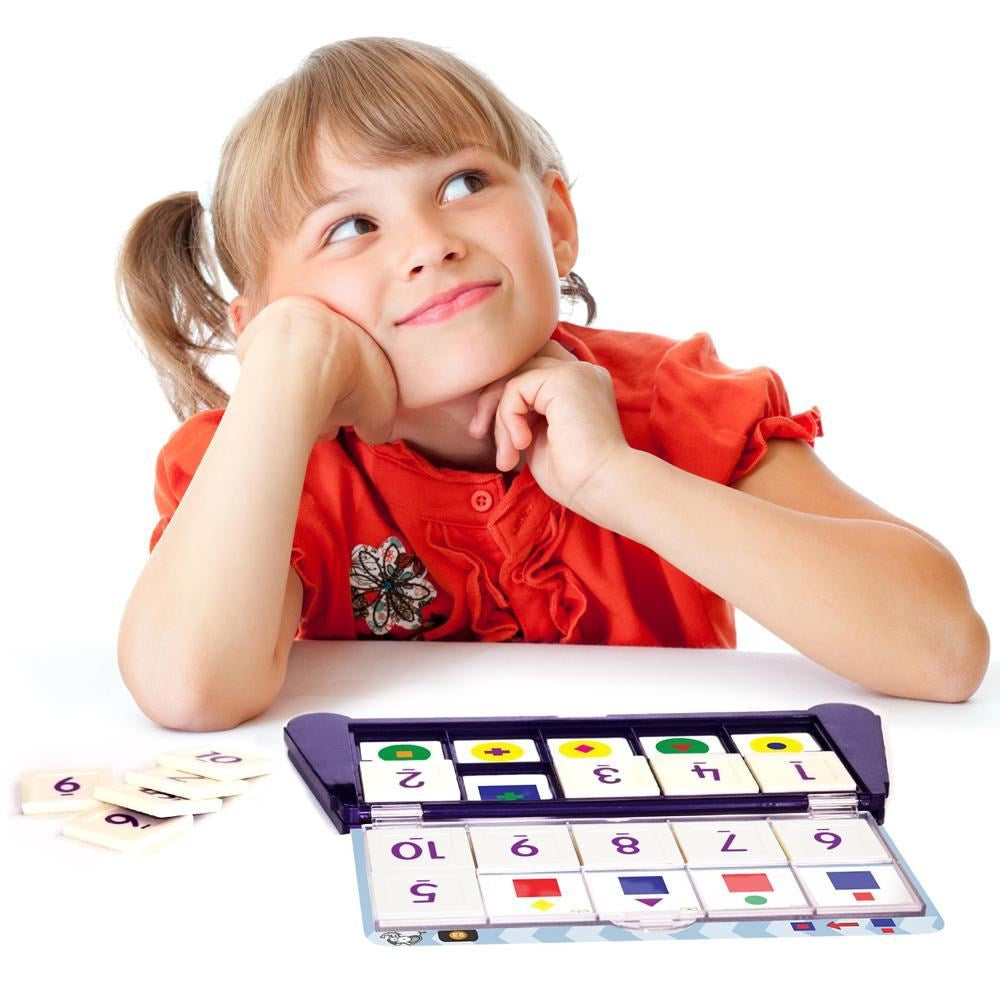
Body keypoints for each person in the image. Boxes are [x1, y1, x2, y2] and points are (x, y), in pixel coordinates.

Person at [114, 37, 988, 731]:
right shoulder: (257, 468)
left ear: (557, 222)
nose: (429, 244)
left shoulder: (676, 404)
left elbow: (943, 650)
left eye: (463, 183)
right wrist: (281, 378)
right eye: (350, 227)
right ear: (267, 323)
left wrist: (615, 477)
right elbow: (190, 690)